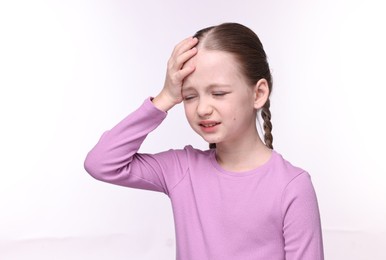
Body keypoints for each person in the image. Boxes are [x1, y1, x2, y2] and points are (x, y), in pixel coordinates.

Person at [84, 22, 324, 260]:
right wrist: (165, 98)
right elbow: (102, 163)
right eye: (189, 96)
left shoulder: (292, 186)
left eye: (218, 93)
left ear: (258, 93)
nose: (202, 108)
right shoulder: (182, 169)